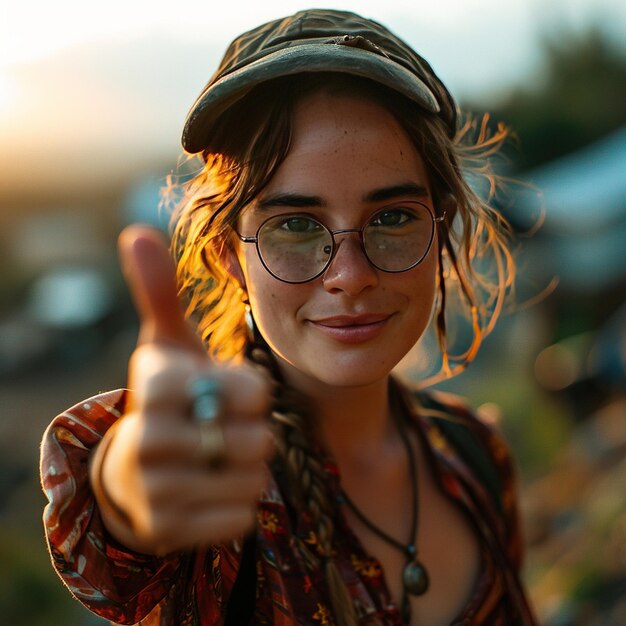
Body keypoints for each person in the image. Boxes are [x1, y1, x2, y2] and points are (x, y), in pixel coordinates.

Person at [40, 8, 538, 626]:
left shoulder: (477, 457)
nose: (351, 275)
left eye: (392, 217)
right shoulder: (224, 495)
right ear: (228, 257)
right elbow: (125, 509)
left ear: (439, 230)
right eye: (296, 226)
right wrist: (131, 483)